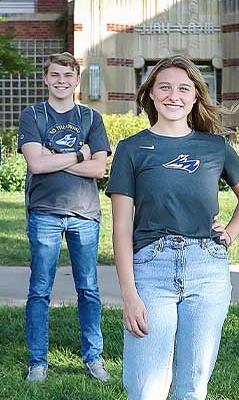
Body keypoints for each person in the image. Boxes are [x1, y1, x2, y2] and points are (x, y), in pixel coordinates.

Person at [106, 55, 239, 399]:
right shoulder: (132, 150)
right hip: (150, 270)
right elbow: (121, 227)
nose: (173, 95)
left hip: (207, 269)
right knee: (146, 388)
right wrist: (129, 295)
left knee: (192, 387)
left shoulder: (214, 146)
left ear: (195, 97)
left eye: (183, 88)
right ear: (151, 95)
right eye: (165, 87)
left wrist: (231, 232)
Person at [18, 52, 111, 383]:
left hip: (85, 215)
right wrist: (77, 154)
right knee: (40, 289)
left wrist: (54, 156)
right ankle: (37, 363)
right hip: (44, 213)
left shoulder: (90, 118)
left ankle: (94, 359)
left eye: (67, 75)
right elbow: (36, 165)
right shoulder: (33, 115)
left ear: (77, 80)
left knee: (88, 288)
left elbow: (99, 168)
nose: (61, 80)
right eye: (55, 75)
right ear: (46, 78)